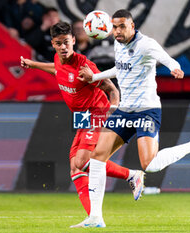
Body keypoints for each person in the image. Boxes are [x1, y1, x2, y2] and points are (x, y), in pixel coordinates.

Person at [74, 9, 190, 228]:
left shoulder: (147, 44)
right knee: (97, 158)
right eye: (115, 27)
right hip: (125, 110)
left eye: (122, 26)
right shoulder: (118, 44)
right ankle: (96, 218)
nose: (117, 31)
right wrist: (95, 77)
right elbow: (120, 68)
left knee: (151, 165)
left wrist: (175, 68)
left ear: (132, 26)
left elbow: (167, 58)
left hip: (147, 110)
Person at [20, 21, 144, 222]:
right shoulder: (59, 59)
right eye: (59, 43)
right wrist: (33, 64)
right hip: (82, 115)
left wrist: (113, 112)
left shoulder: (84, 66)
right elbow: (57, 70)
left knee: (82, 161)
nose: (63, 47)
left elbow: (112, 89)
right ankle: (94, 217)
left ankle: (131, 175)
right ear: (53, 43)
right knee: (75, 167)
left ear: (74, 41)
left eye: (66, 43)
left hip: (97, 111)